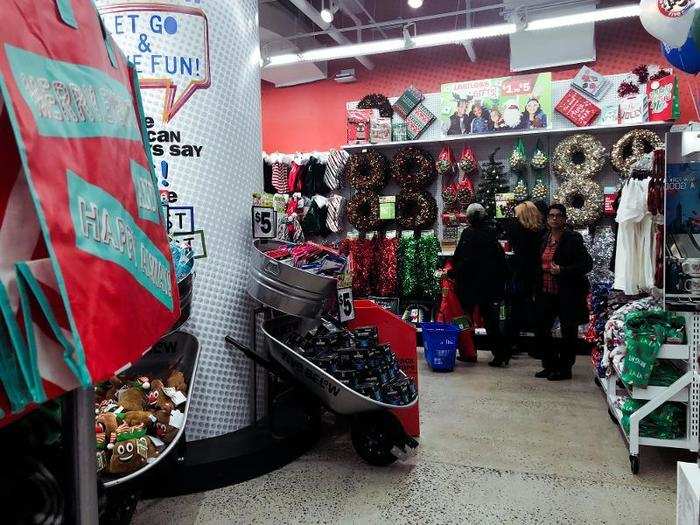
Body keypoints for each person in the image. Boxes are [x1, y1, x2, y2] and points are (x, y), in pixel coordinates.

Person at [534, 204, 592, 381]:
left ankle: (565, 368)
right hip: (546, 291)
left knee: (568, 331)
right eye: (551, 215)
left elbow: (586, 264)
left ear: (565, 219)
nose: (554, 219)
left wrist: (563, 270)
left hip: (567, 293)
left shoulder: (572, 239)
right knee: (542, 328)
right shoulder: (544, 238)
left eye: (558, 216)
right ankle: (550, 364)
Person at [452, 203, 509, 367]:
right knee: (491, 321)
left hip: (469, 284)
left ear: (469, 218)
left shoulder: (468, 233)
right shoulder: (492, 233)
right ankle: (500, 355)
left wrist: (453, 272)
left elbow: (461, 258)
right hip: (490, 285)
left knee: (465, 320)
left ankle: (469, 352)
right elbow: (500, 260)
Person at [502, 201, 544, 352]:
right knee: (537, 309)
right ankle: (537, 345)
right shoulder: (541, 231)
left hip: (522, 273)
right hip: (538, 273)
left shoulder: (516, 229)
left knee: (516, 309)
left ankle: (510, 344)